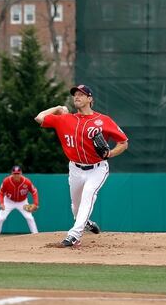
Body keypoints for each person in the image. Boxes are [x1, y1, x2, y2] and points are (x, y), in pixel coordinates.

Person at [35, 84, 129, 247]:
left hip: (97, 168)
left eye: (81, 94)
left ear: (90, 99)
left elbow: (123, 142)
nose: (77, 97)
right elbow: (39, 117)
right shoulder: (65, 119)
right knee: (75, 206)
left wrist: (111, 153)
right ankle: (85, 223)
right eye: (75, 94)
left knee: (88, 196)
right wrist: (57, 108)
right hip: (75, 168)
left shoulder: (103, 120)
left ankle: (74, 234)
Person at [0, 165, 39, 239]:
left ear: (21, 173)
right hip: (8, 201)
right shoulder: (6, 181)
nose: (16, 175)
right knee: (1, 218)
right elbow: (0, 192)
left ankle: (36, 236)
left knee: (29, 218)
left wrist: (36, 204)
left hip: (22, 202)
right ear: (12, 173)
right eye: (15, 173)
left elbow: (34, 191)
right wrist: (1, 203)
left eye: (18, 173)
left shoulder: (27, 182)